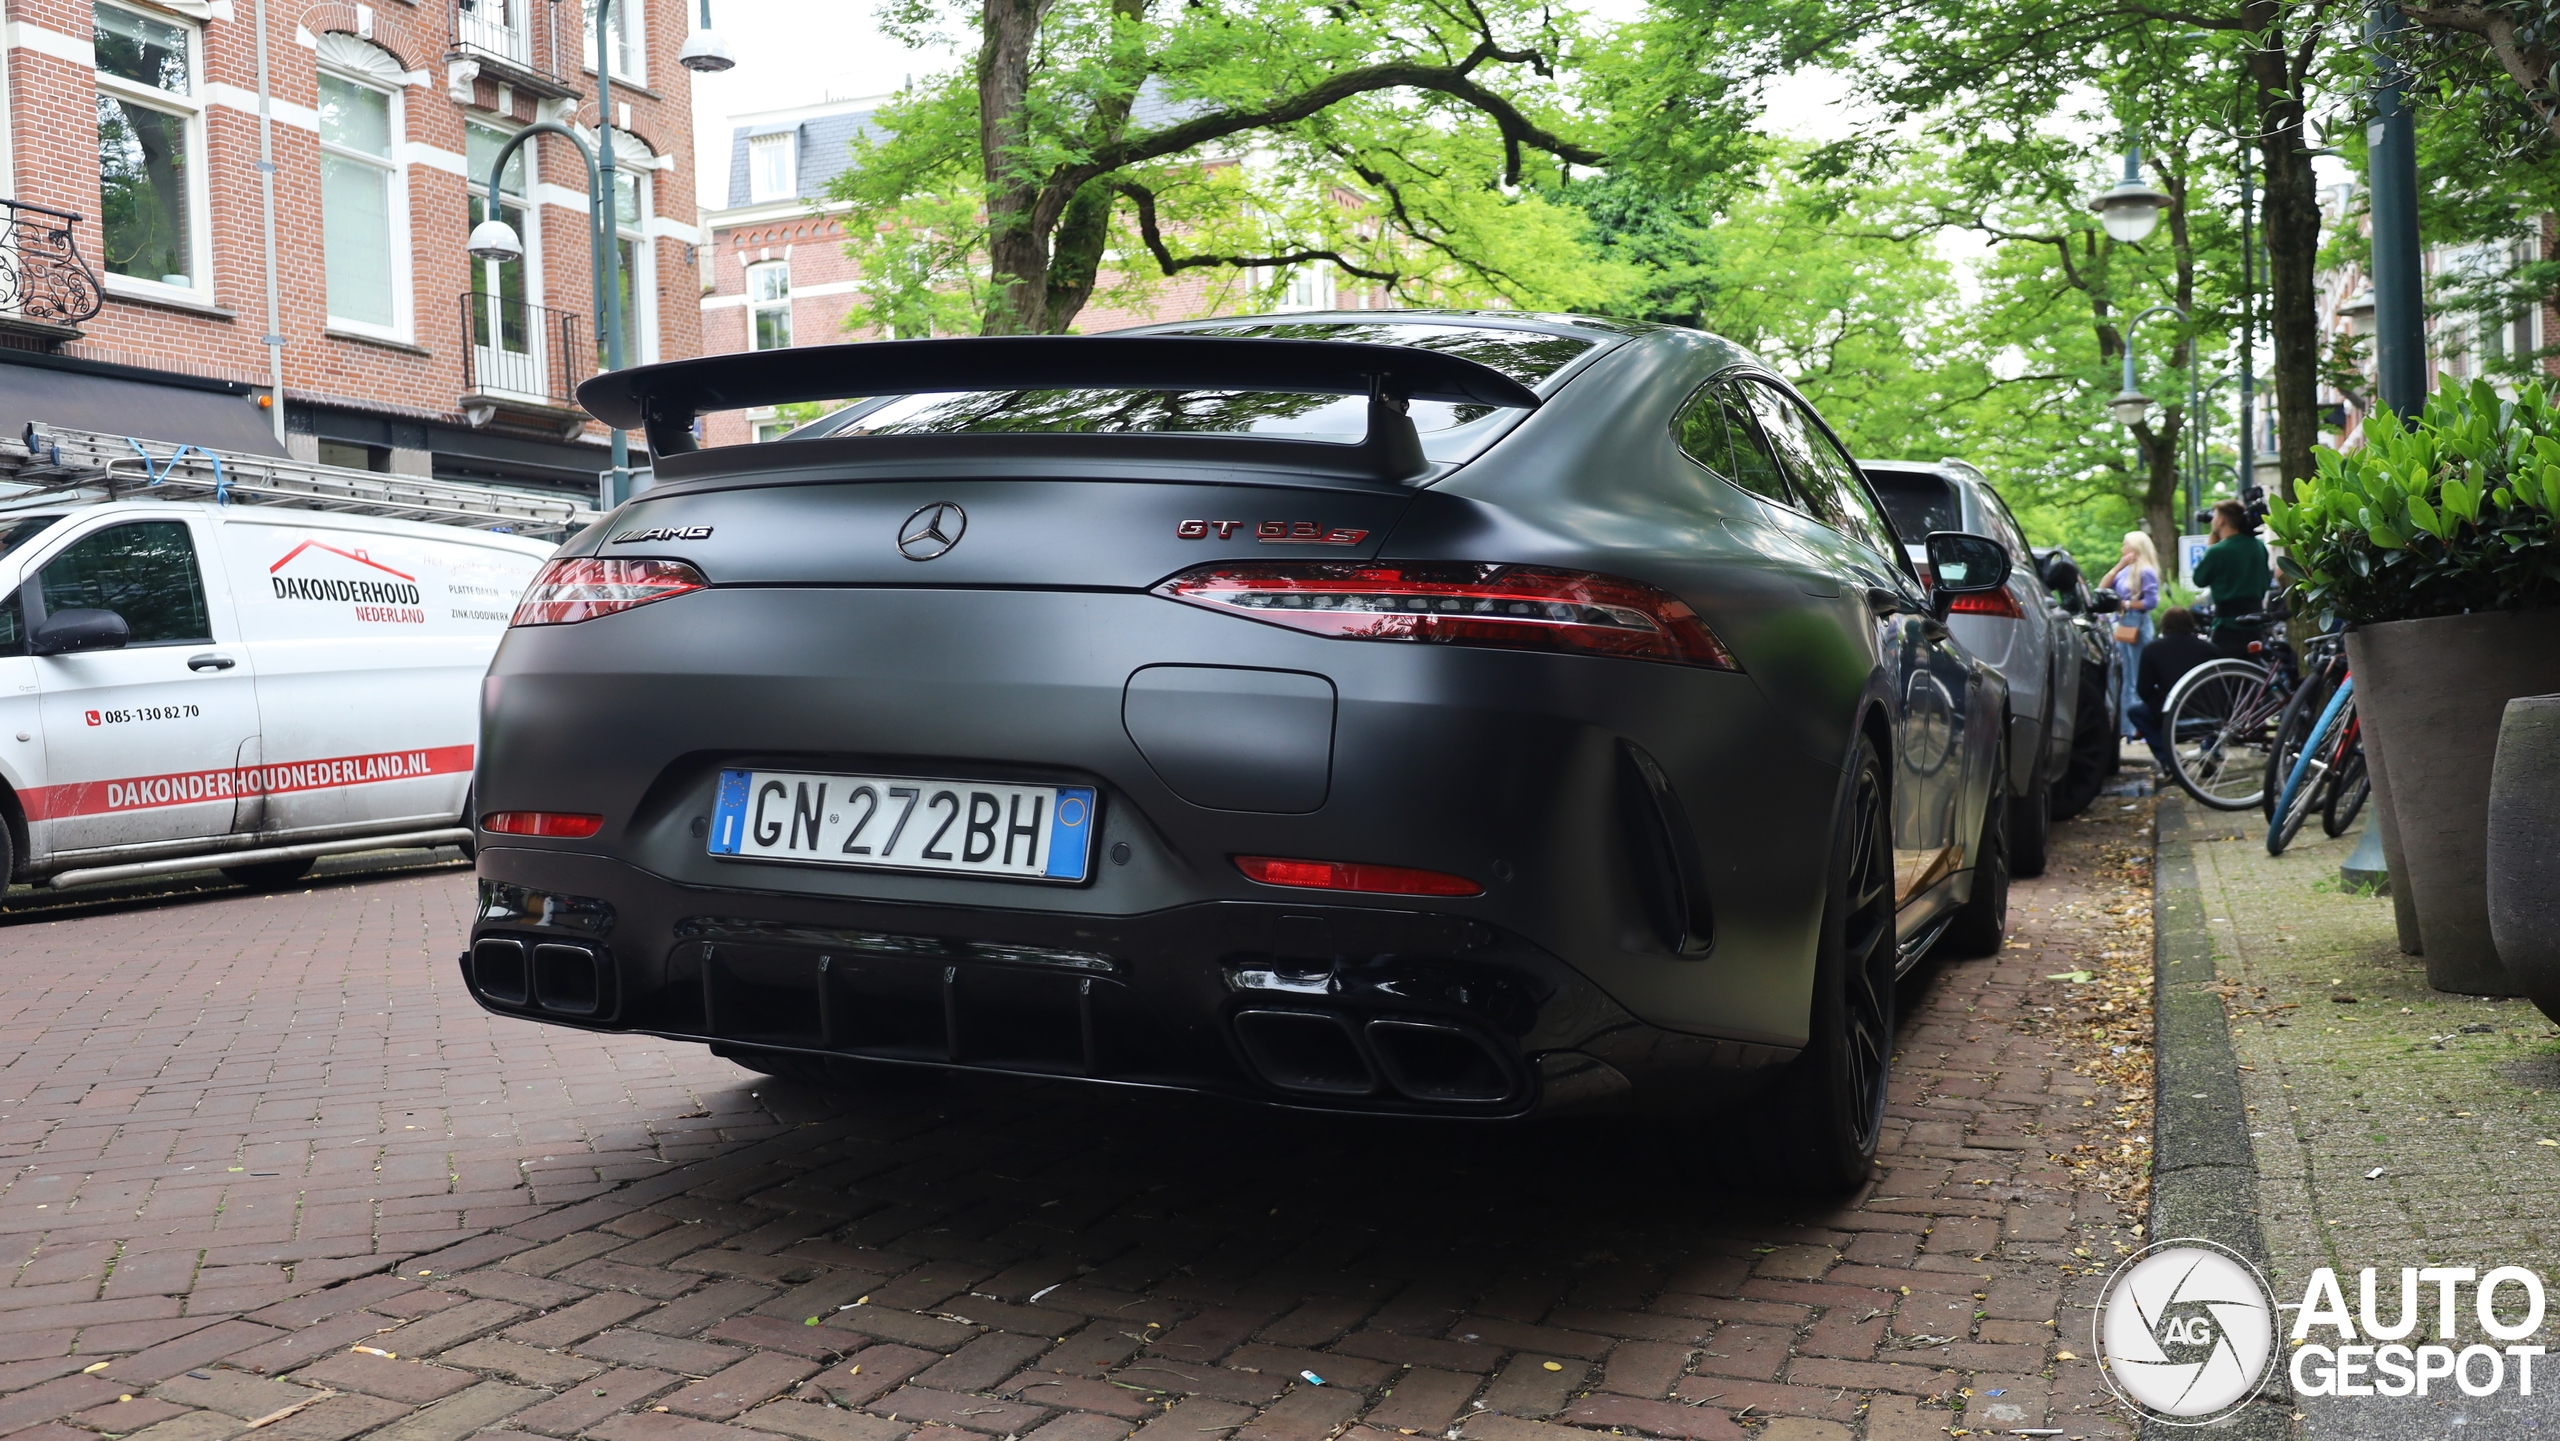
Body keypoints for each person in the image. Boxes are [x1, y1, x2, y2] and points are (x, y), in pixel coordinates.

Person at [2129, 607, 2220, 772]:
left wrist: (2160, 705)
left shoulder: (2152, 649)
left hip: (2171, 717)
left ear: (2164, 626)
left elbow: (2144, 690)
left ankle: (2169, 759)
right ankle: (2210, 750)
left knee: (2135, 712)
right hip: (2210, 716)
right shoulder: (2210, 649)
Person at [2099, 530, 2162, 738]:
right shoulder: (2125, 571)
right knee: (2126, 677)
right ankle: (2127, 727)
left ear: (2135, 548)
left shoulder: (2146, 572)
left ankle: (2139, 726)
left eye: (2125, 545)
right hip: (2124, 624)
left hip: (2137, 623)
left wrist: (2124, 603)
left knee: (2137, 676)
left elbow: (2151, 602)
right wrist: (2119, 565)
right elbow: (2102, 588)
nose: (2122, 548)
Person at [2189, 499, 2272, 655]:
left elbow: (2199, 580)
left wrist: (2211, 546)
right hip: (2256, 622)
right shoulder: (2258, 546)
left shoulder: (2217, 551)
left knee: (2220, 672)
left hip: (2227, 625)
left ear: (2221, 520)